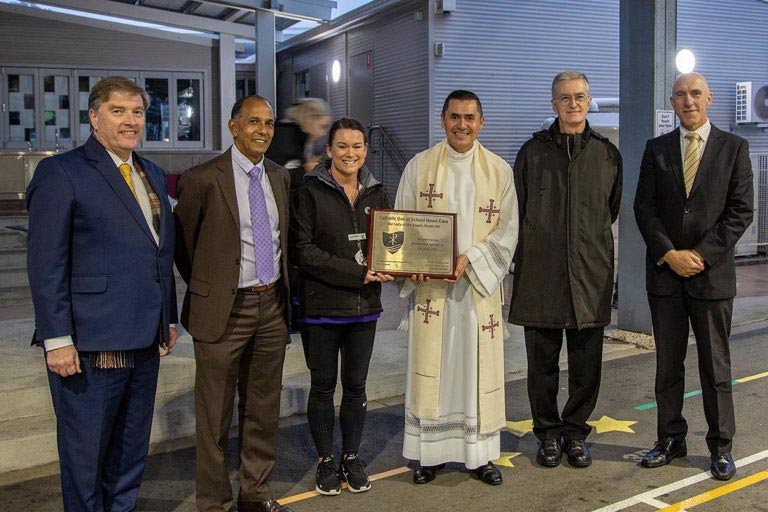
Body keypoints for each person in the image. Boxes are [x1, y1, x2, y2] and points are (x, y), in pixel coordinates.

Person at [26, 76, 178, 511]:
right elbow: (46, 263)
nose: (130, 121)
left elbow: (157, 253)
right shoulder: (63, 172)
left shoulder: (149, 172)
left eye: (138, 112)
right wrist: (57, 339)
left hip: (145, 338)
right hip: (90, 345)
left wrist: (166, 318)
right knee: (86, 457)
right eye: (118, 111)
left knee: (130, 453)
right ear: (94, 118)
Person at [174, 96, 294, 512]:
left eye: (269, 124)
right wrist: (213, 288)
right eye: (253, 122)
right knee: (214, 416)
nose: (262, 130)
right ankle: (213, 501)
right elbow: (185, 246)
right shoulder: (202, 179)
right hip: (223, 309)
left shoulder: (279, 177)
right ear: (233, 126)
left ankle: (255, 493)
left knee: (263, 408)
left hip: (271, 306)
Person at [395, 90, 518, 486]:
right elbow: (401, 222)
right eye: (454, 117)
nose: (461, 125)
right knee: (437, 367)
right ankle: (429, 456)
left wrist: (471, 258)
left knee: (474, 371)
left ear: (481, 122)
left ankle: (478, 456)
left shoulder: (499, 170)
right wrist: (409, 264)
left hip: (477, 292)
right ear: (442, 120)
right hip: (432, 293)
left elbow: (508, 230)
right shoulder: (420, 166)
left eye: (469, 117)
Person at [634, 72, 753, 481]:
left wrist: (698, 256)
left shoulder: (734, 148)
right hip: (666, 276)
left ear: (710, 99)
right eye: (681, 95)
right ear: (672, 101)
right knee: (668, 366)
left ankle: (721, 447)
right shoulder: (657, 149)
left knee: (715, 367)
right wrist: (669, 253)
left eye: (696, 94)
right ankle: (670, 439)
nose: (689, 101)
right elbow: (644, 209)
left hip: (711, 277)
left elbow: (740, 212)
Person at [508, 71, 622, 469]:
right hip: (541, 273)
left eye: (580, 97)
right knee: (542, 365)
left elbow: (610, 209)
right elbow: (516, 212)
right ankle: (547, 434)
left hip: (589, 273)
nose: (573, 104)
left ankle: (575, 433)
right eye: (565, 98)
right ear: (553, 104)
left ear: (589, 101)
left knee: (586, 365)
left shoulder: (608, 155)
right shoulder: (532, 153)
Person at [290, 117, 393, 495]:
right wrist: (355, 273)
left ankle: (350, 455)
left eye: (358, 146)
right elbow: (303, 252)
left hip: (365, 307)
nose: (351, 153)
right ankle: (325, 460)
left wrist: (395, 265)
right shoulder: (309, 190)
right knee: (322, 386)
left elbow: (391, 240)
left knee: (356, 386)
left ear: (365, 150)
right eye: (343, 146)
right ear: (329, 150)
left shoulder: (377, 192)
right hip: (322, 307)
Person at [266, 98, 332, 194]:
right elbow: (277, 175)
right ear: (311, 120)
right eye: (322, 127)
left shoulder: (302, 139)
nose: (324, 133)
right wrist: (305, 169)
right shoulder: (284, 138)